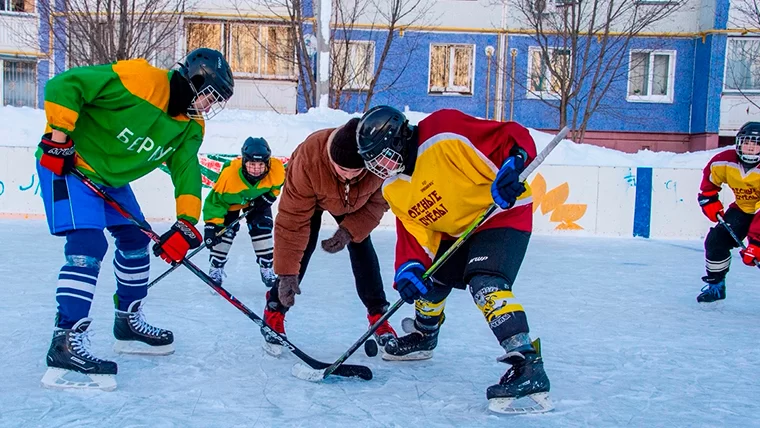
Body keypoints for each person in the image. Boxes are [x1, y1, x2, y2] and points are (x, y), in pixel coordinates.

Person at [37, 48, 234, 391]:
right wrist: (58, 138)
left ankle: (127, 321)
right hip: (70, 165)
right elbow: (64, 85)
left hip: (111, 180)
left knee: (135, 240)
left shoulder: (190, 126)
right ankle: (65, 340)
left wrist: (186, 224)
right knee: (88, 243)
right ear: (195, 80)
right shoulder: (140, 80)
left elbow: (186, 172)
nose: (208, 106)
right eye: (209, 97)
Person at [356, 106, 552, 414]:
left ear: (397, 139)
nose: (377, 166)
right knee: (428, 280)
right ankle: (424, 336)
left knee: (485, 283)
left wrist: (513, 166)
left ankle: (528, 365)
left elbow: (510, 136)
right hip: (456, 230)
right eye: (372, 161)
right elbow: (414, 232)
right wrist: (409, 270)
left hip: (501, 214)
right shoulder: (393, 188)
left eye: (380, 156)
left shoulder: (442, 132)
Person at [263, 118, 396, 356]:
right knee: (303, 247)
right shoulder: (308, 161)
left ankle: (379, 315)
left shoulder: (377, 163)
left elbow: (378, 203)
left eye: (356, 171)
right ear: (330, 159)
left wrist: (348, 231)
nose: (348, 175)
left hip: (356, 202)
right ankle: (275, 310)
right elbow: (292, 222)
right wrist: (286, 274)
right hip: (312, 197)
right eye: (342, 169)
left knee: (361, 244)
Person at [203, 137, 284, 288]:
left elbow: (278, 184)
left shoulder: (276, 169)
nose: (256, 169)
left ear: (267, 163)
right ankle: (216, 266)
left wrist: (269, 197)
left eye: (260, 164)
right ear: (244, 162)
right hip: (232, 203)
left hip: (257, 200)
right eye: (252, 164)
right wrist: (212, 226)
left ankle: (266, 266)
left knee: (263, 227)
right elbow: (215, 202)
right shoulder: (229, 177)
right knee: (224, 232)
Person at [696, 121, 760, 303]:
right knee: (716, 241)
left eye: (756, 144)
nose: (749, 147)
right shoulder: (724, 160)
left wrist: (756, 243)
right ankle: (716, 286)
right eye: (747, 142)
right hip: (743, 209)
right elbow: (710, 181)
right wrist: (709, 199)